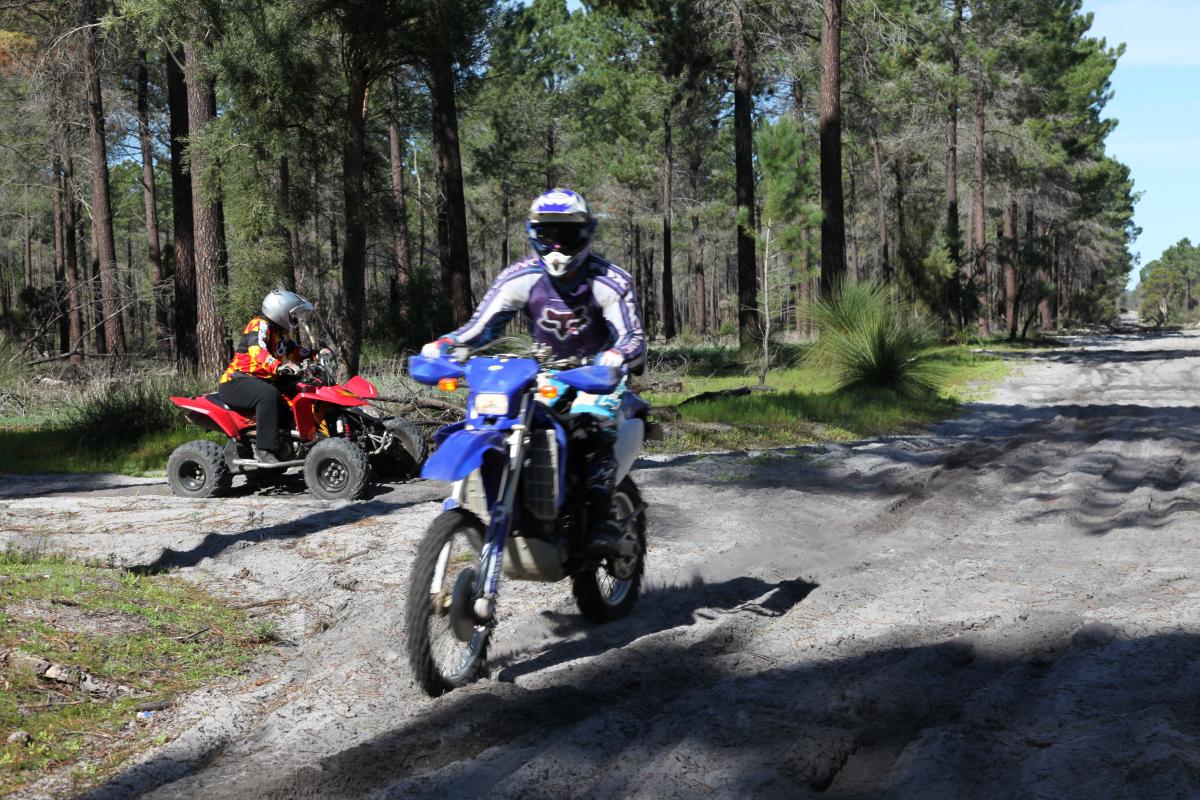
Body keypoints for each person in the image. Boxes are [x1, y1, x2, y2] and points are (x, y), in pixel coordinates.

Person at [422, 188, 646, 557]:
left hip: (596, 376)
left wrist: (617, 356)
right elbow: (482, 327)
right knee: (496, 421)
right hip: (540, 373)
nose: (557, 244)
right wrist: (448, 344)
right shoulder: (520, 277)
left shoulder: (609, 280)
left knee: (592, 426)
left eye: (567, 235)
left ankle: (603, 518)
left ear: (585, 233)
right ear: (533, 234)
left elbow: (632, 335)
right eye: (547, 235)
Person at [218, 289, 320, 464]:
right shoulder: (259, 325)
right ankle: (264, 449)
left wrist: (316, 354)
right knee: (268, 395)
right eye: (293, 314)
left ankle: (300, 437)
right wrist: (279, 367)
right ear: (280, 311)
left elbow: (294, 351)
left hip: (263, 379)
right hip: (237, 380)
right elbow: (257, 351)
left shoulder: (281, 332)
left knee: (305, 384)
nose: (295, 319)